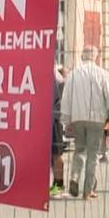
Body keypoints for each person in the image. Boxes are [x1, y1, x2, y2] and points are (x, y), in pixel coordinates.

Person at [59, 46, 109, 200]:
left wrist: (66, 120)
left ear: (82, 57)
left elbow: (66, 98)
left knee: (80, 150)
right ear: (96, 57)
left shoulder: (73, 74)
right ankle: (87, 191)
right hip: (96, 118)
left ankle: (74, 176)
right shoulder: (102, 74)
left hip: (77, 117)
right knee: (93, 155)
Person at [50, 66, 68, 198]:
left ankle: (58, 185)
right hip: (43, 117)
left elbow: (61, 95)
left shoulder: (55, 75)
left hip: (53, 117)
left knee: (56, 153)